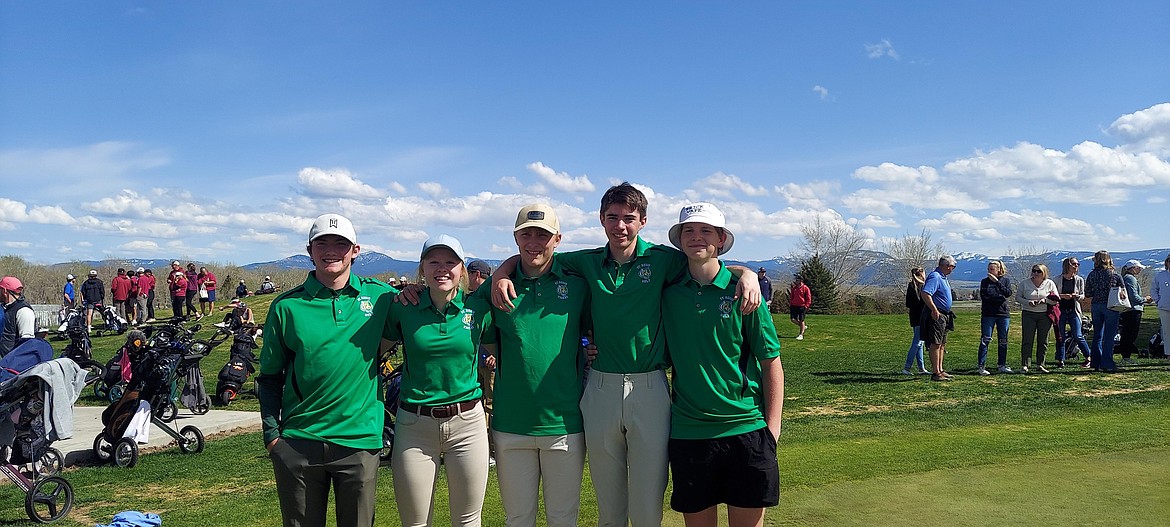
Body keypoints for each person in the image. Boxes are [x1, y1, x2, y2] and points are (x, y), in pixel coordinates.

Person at [490, 182, 761, 527]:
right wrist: (501, 272)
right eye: (613, 217)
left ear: (643, 221)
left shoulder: (664, 260)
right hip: (601, 388)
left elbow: (706, 260)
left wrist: (747, 273)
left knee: (648, 506)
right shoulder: (585, 262)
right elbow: (535, 255)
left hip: (650, 389)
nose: (620, 226)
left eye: (629, 218)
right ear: (601, 220)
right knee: (610, 506)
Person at [257, 213, 395, 527]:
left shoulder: (381, 297)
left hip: (359, 440)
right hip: (299, 441)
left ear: (355, 250)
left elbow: (438, 297)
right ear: (310, 250)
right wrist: (272, 437)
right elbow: (268, 378)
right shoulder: (286, 307)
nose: (331, 250)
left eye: (340, 243)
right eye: (322, 243)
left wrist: (505, 270)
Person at [662, 202, 783, 527]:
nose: (697, 237)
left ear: (720, 239)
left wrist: (772, 430)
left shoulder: (745, 294)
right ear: (680, 238)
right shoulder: (669, 294)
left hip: (746, 430)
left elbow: (771, 361)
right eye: (689, 230)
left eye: (706, 231)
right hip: (689, 433)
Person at [481, 204, 591, 527]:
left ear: (557, 239)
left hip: (564, 424)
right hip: (511, 426)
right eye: (526, 234)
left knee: (563, 519)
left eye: (542, 234)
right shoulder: (496, 291)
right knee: (518, 519)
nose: (533, 242)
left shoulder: (577, 285)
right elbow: (453, 306)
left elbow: (601, 326)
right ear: (515, 238)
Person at [385, 234, 492, 527]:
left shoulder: (478, 310)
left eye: (450, 262)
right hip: (414, 425)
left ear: (462, 270)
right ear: (422, 268)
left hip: (467, 423)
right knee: (415, 522)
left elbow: (505, 353)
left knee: (468, 521)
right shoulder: (403, 307)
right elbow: (373, 353)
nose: (441, 268)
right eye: (434, 262)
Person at [1085, 250, 1124, 372]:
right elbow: (1122, 291)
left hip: (1096, 305)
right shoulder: (1114, 274)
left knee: (1097, 335)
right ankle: (1107, 363)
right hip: (1110, 306)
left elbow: (1088, 293)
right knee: (1109, 336)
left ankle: (1096, 362)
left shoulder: (1092, 275)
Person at [920, 256, 957, 381]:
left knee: (942, 343)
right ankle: (936, 372)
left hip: (945, 314)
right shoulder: (935, 276)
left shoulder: (943, 277)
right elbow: (925, 293)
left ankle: (940, 370)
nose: (953, 269)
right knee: (935, 343)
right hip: (937, 314)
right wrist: (934, 309)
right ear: (946, 266)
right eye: (953, 266)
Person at [1018, 263, 1059, 373]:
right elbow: (1018, 297)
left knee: (1043, 340)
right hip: (1028, 314)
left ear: (1044, 273)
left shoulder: (1050, 283)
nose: (1035, 273)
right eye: (1034, 270)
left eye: (1038, 271)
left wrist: (1045, 300)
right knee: (1027, 340)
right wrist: (1028, 302)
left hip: (1045, 315)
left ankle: (1040, 364)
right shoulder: (1024, 283)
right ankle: (1025, 364)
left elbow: (1056, 299)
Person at [1054, 257, 1090, 368]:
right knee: (1061, 336)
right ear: (1067, 265)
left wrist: (1076, 296)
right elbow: (1052, 295)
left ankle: (1088, 357)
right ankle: (1061, 359)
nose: (1076, 266)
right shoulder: (1057, 280)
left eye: (1077, 264)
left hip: (1074, 310)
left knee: (1078, 335)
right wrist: (1062, 296)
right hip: (1061, 311)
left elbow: (1083, 296)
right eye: (1074, 264)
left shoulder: (1079, 280)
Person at [978, 260, 1013, 375]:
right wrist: (999, 297)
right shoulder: (984, 282)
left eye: (992, 269)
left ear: (999, 270)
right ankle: (981, 366)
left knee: (1003, 340)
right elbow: (985, 296)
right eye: (988, 269)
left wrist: (997, 282)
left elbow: (1007, 293)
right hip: (988, 314)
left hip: (1003, 314)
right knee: (985, 339)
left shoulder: (1005, 281)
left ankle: (1002, 365)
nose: (990, 272)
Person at [1118, 260, 1152, 365]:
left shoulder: (1126, 278)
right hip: (1132, 310)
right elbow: (1134, 297)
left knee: (1127, 333)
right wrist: (1145, 299)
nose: (1140, 270)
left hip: (1128, 310)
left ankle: (1126, 355)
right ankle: (1126, 356)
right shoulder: (1130, 279)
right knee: (1130, 334)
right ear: (1133, 268)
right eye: (1138, 268)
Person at [902, 267, 930, 375]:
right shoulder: (921, 286)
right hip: (920, 317)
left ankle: (921, 368)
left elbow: (908, 304)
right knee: (917, 342)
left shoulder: (912, 286)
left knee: (920, 343)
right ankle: (907, 367)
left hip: (914, 317)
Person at [0, 276, 36, 358]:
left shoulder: (24, 311)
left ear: (4, 291)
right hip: (6, 362)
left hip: (18, 364)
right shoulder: (4, 308)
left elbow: (27, 343)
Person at [1152, 254, 1170, 359]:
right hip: (1164, 307)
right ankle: (1168, 353)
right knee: (1167, 332)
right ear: (1167, 263)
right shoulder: (1160, 275)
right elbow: (1154, 289)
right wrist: (1158, 300)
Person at [789, 274, 811, 340]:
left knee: (801, 320)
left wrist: (806, 306)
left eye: (797, 280)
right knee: (793, 319)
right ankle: (803, 327)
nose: (796, 281)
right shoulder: (794, 288)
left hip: (802, 306)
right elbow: (792, 297)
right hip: (794, 306)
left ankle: (801, 334)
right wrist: (791, 303)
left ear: (801, 280)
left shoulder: (805, 288)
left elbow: (808, 297)